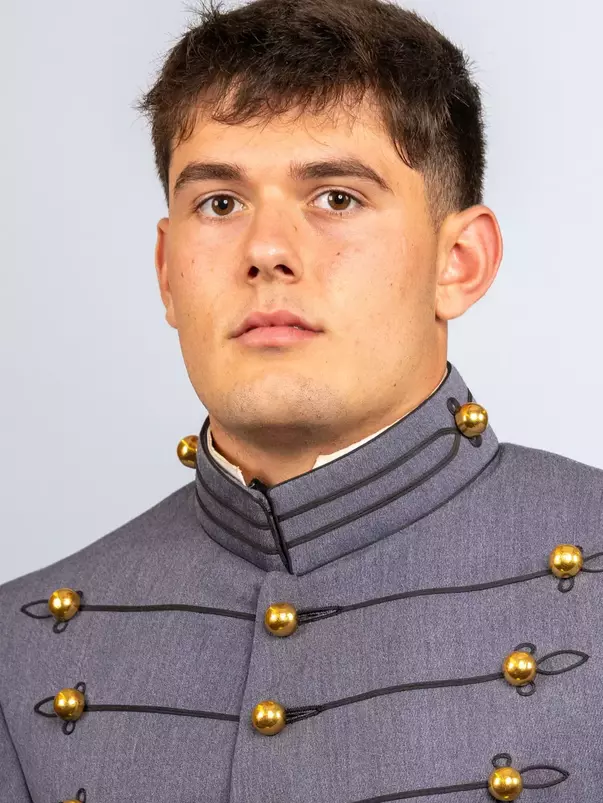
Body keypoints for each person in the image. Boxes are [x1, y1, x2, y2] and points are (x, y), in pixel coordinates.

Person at [1, 0, 601, 800]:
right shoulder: (24, 643)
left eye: (336, 198)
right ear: (166, 269)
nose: (267, 251)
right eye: (219, 202)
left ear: (458, 261)